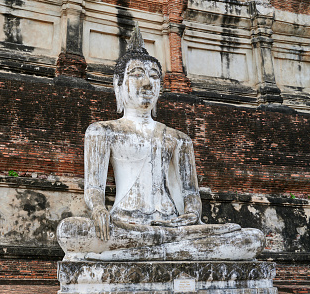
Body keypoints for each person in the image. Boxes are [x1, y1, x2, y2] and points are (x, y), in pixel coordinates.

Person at [57, 24, 265, 261]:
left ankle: (135, 254)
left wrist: (191, 214)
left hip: (174, 226)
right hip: (126, 224)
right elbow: (94, 189)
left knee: (251, 238)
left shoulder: (179, 140)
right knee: (70, 232)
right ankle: (166, 251)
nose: (147, 83)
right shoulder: (103, 132)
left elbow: (190, 193)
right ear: (118, 84)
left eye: (154, 76)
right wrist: (98, 209)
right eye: (137, 75)